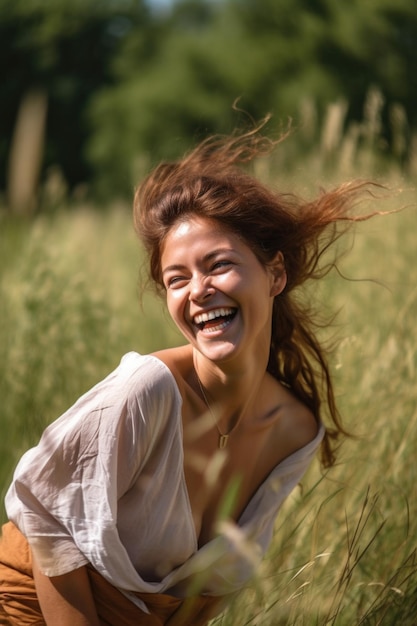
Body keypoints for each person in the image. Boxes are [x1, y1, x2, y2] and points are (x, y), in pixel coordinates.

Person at [0, 122, 382, 625]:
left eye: (218, 265)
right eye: (176, 279)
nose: (197, 290)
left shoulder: (295, 433)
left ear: (276, 274)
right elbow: (42, 507)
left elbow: (207, 588)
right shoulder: (149, 389)